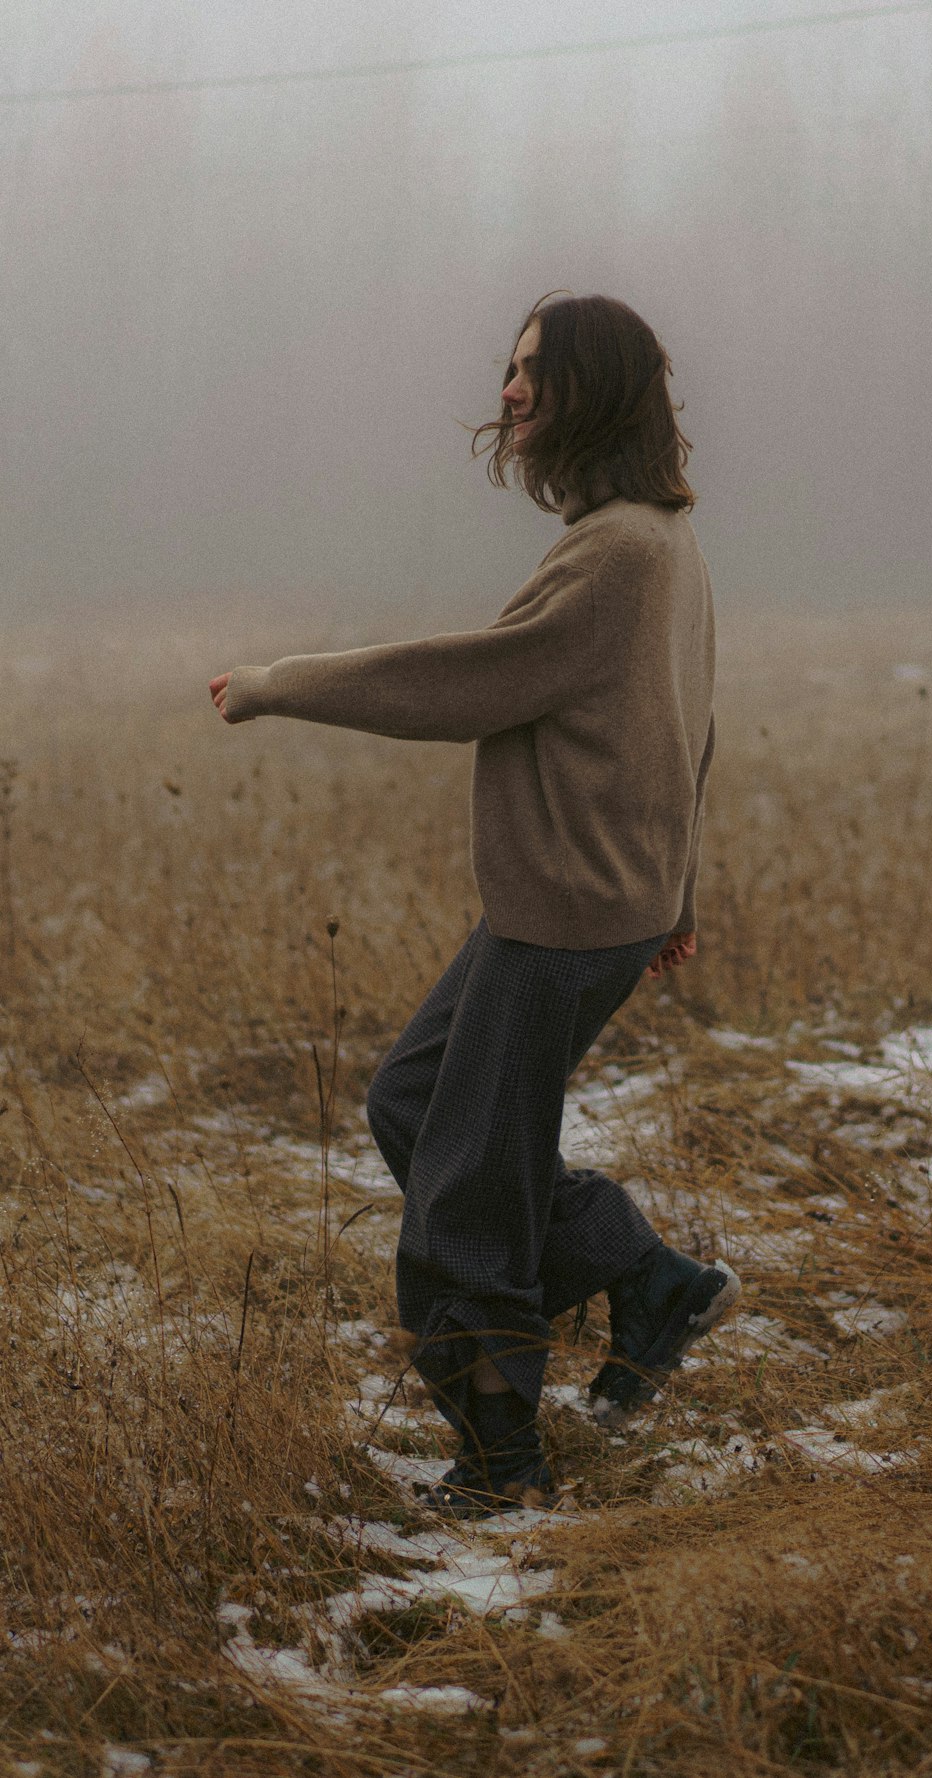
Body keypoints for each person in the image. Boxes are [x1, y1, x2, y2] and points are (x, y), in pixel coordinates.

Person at [209, 291, 740, 1518]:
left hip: (564, 912)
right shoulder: (651, 536)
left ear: (595, 390)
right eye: (509, 367)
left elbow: (469, 681)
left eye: (534, 372)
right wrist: (674, 891)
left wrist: (279, 684)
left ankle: (502, 1466)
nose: (507, 391)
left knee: (463, 1191)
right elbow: (688, 728)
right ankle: (645, 1276)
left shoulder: (619, 551)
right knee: (411, 1100)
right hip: (581, 902)